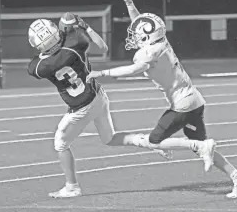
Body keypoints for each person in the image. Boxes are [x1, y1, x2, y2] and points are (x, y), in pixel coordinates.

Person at [86, 0, 237, 199]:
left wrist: (101, 72)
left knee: (156, 140)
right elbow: (141, 24)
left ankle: (201, 146)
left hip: (182, 105)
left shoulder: (148, 54)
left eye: (138, 35)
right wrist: (129, 3)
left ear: (147, 37)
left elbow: (131, 70)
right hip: (195, 101)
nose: (134, 36)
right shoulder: (160, 42)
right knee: (202, 148)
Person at [27, 13, 172, 198]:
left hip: (81, 107)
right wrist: (82, 27)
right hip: (98, 96)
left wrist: (60, 36)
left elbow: (34, 65)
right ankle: (151, 143)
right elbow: (103, 47)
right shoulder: (75, 44)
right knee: (110, 138)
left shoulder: (41, 67)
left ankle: (72, 187)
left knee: (61, 143)